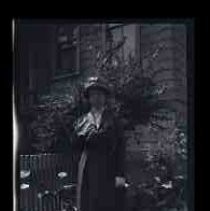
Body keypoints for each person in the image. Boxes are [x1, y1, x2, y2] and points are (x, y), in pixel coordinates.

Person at [71, 76, 126, 211]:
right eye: (93, 94)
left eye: (100, 94)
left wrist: (120, 174)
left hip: (108, 167)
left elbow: (121, 147)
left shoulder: (114, 120)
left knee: (108, 202)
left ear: (105, 97)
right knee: (88, 202)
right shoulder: (80, 122)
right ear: (89, 98)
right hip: (87, 168)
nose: (97, 97)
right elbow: (75, 149)